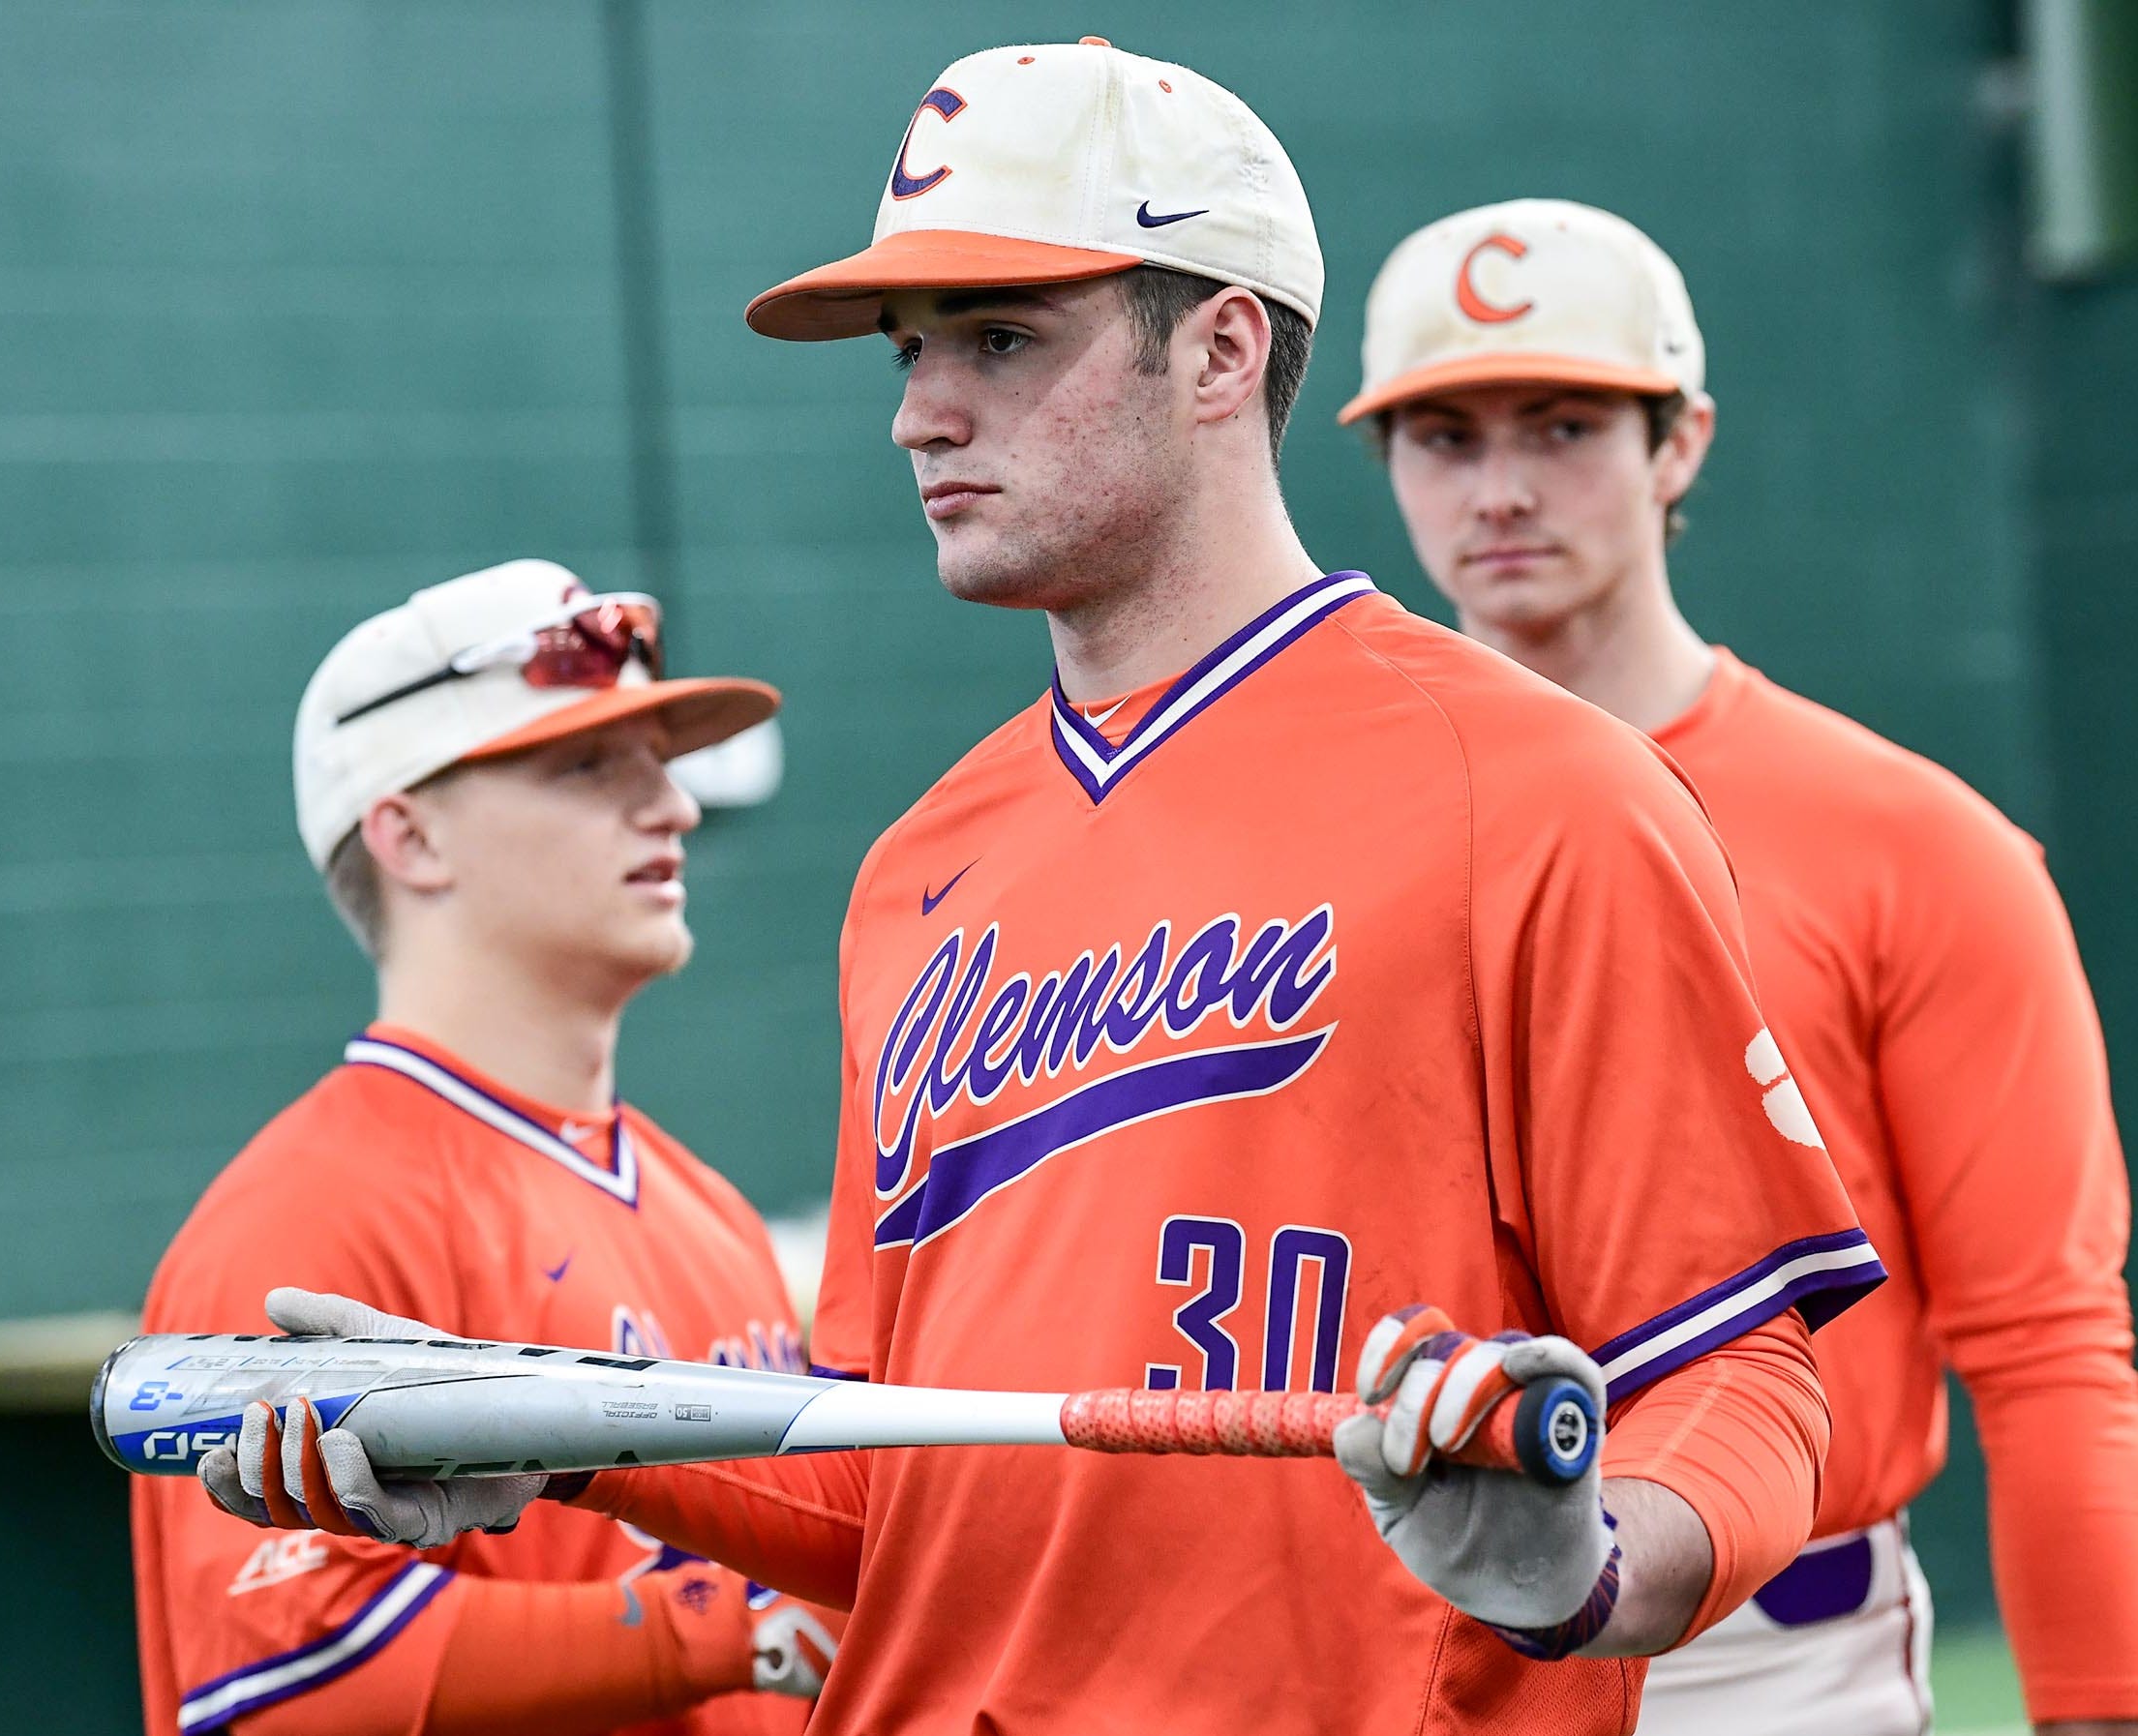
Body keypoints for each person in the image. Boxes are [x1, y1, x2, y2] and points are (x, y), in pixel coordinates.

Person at [200, 44, 1884, 1734]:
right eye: (913, 346)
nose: (920, 408)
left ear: (1221, 347)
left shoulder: (1539, 790)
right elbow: (890, 1482)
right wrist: (541, 1430)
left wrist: (1586, 1562)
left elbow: (1744, 1368)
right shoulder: (921, 866)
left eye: (1001, 337)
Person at [1340, 196, 2138, 1735]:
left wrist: (2096, 1709)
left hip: (1773, 1656)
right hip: (1401, 1641)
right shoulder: (1308, 833)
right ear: (1385, 463)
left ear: (1678, 442)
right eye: (1442, 437)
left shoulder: (1912, 840)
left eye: (1561, 423)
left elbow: (2042, 1341)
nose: (1499, 488)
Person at [134, 558, 838, 1735]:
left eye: (659, 766)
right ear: (409, 836)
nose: (673, 808)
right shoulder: (308, 1220)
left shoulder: (702, 1200)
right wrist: (732, 1626)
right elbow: (285, 1680)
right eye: (586, 768)